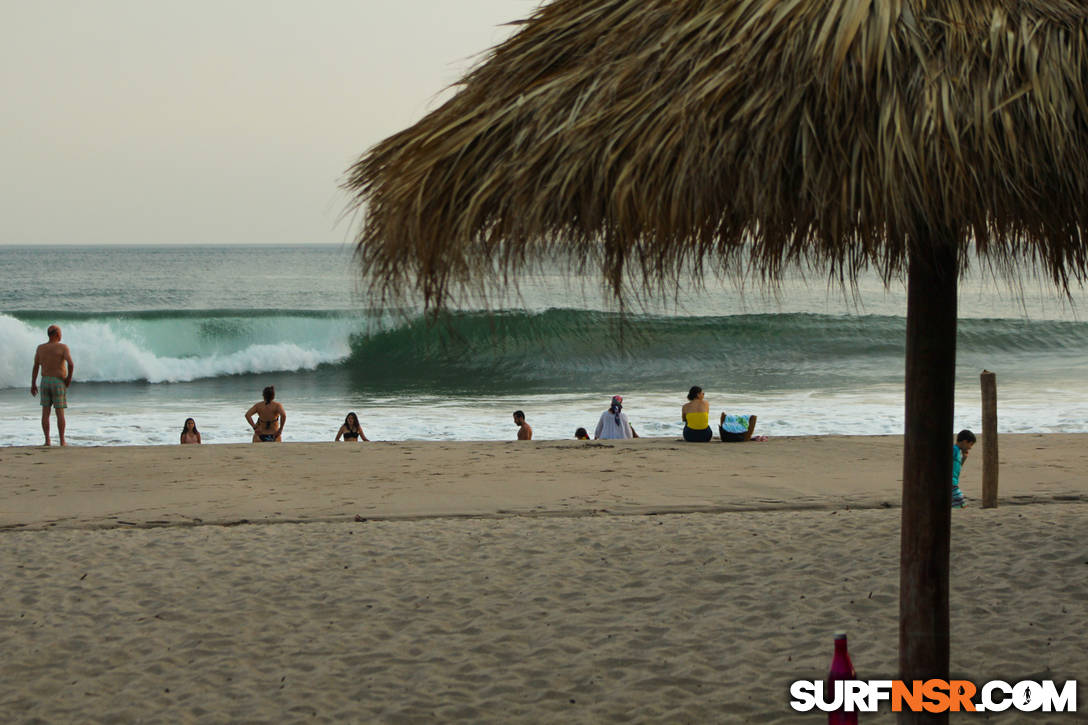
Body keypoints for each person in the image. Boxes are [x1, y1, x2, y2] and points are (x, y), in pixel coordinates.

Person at [30, 324, 74, 446]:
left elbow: (35, 367)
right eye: (60, 332)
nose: (61, 335)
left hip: (45, 382)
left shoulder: (40, 348)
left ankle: (47, 440)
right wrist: (69, 378)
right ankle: (62, 441)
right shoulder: (63, 348)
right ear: (56, 334)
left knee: (45, 412)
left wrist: (33, 384)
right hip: (58, 382)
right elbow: (71, 364)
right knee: (59, 412)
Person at [952, 429, 976, 508]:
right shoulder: (954, 450)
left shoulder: (958, 452)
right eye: (970, 444)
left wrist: (964, 459)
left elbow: (956, 467)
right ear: (965, 442)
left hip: (954, 483)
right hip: (951, 483)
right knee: (960, 502)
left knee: (959, 503)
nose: (970, 448)